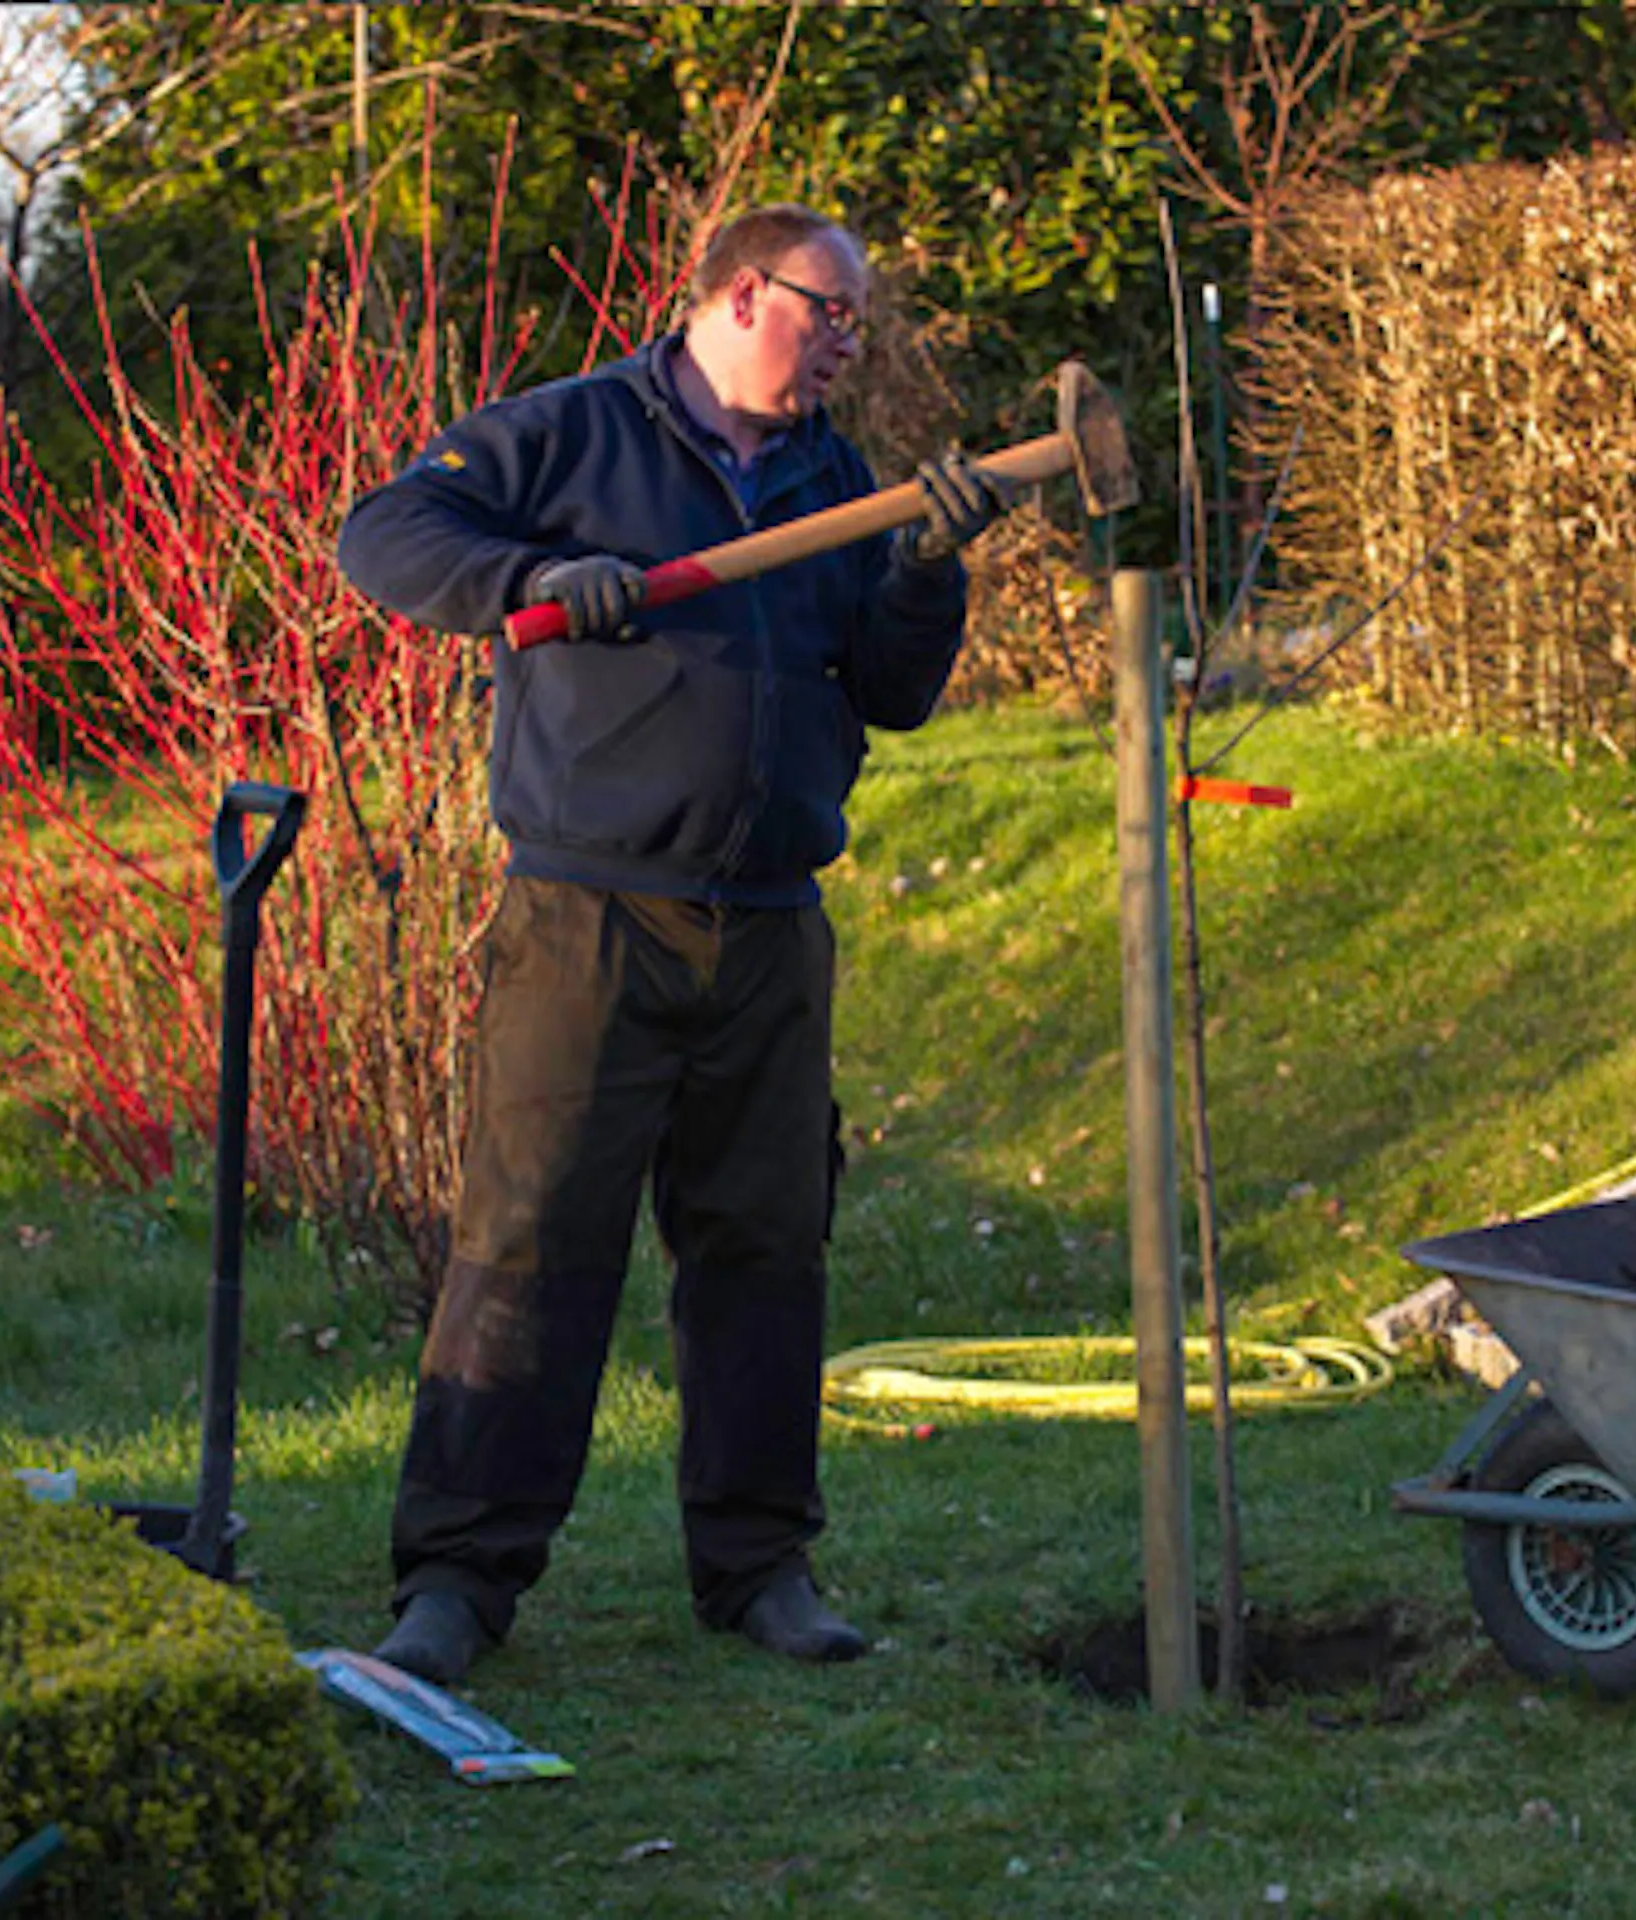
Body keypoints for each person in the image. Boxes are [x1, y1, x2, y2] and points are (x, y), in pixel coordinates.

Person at [336, 203, 1007, 1685]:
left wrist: (925, 570)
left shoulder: (839, 481)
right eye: (832, 310)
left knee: (767, 1249)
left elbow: (889, 696)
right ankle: (457, 1580)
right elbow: (382, 536)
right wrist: (524, 583)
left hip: (769, 928)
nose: (851, 340)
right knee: (528, 1246)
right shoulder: (576, 434)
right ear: (737, 293)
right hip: (585, 919)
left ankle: (760, 1566)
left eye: (859, 320)